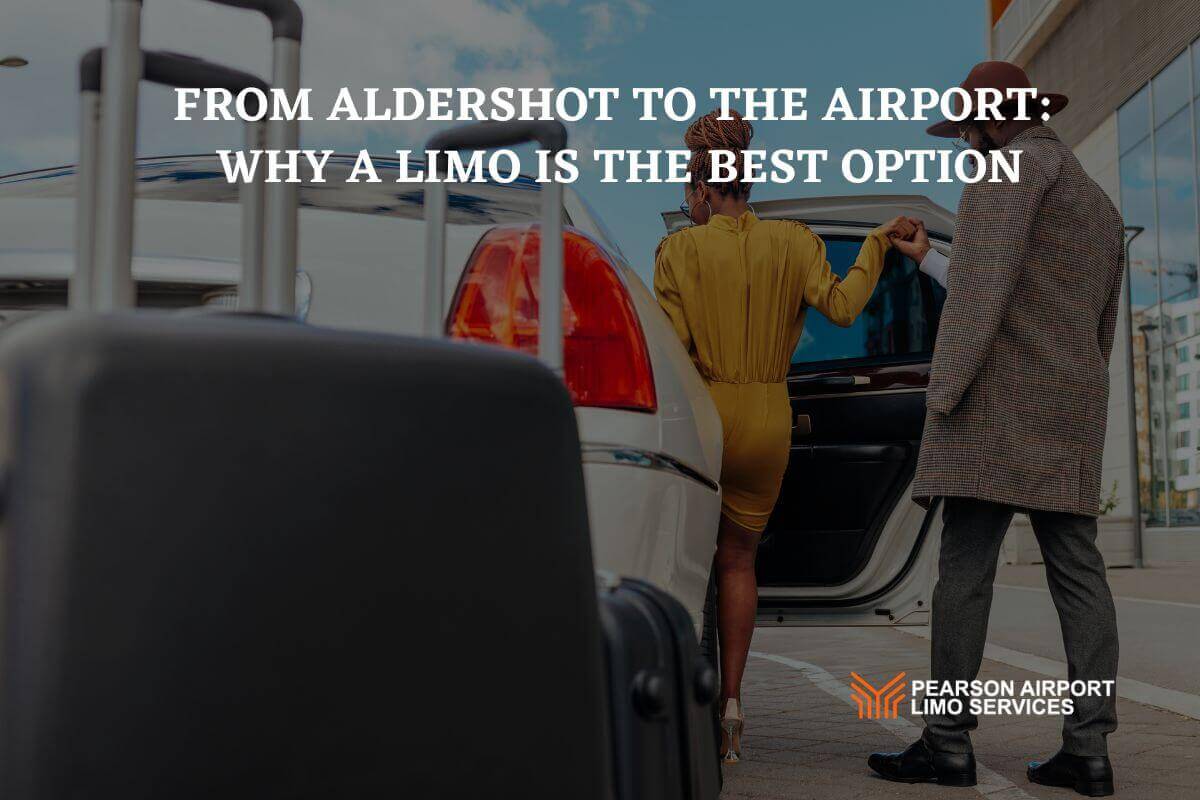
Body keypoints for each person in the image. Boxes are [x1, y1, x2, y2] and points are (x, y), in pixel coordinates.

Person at [868, 61, 1126, 798]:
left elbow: (982, 297)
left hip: (997, 407)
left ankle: (946, 744)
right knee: (1079, 573)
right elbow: (1092, 317)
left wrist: (943, 395)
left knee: (964, 573)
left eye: (966, 130)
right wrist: (931, 257)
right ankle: (1089, 752)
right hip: (1070, 404)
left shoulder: (1003, 173)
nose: (963, 144)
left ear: (988, 123)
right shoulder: (1096, 202)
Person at [654, 108, 915, 764]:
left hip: (707, 419)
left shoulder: (677, 251)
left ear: (702, 188)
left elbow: (674, 349)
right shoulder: (795, 242)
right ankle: (733, 707)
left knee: (690, 561)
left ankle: (686, 699)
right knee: (739, 561)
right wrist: (876, 243)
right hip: (770, 418)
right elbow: (845, 307)